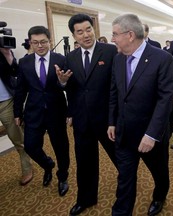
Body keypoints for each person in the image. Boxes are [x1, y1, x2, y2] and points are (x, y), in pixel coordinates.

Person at [108, 14, 173, 216]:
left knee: (159, 172)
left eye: (114, 34)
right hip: (124, 132)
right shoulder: (118, 59)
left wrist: (152, 134)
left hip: (150, 135)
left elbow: (165, 100)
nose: (112, 39)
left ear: (129, 35)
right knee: (125, 178)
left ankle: (159, 196)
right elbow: (114, 93)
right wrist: (111, 121)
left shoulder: (162, 58)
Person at [55, 13, 118, 215]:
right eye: (80, 32)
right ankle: (86, 199)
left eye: (88, 29)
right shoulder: (70, 57)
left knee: (122, 159)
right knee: (85, 162)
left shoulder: (110, 51)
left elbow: (117, 86)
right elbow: (71, 88)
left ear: (94, 28)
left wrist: (115, 118)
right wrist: (63, 82)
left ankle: (127, 192)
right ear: (74, 35)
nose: (86, 35)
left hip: (108, 120)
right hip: (82, 120)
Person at [13, 26, 70, 195]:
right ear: (30, 43)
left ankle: (62, 177)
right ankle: (48, 165)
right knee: (30, 146)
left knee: (61, 147)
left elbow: (67, 86)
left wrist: (63, 82)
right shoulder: (25, 62)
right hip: (33, 112)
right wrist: (17, 113)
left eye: (43, 42)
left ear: (49, 41)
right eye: (36, 42)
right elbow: (20, 89)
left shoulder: (61, 59)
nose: (40, 46)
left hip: (56, 111)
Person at [0, 48, 33, 186]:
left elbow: (15, 71)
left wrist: (7, 54)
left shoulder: (2, 50)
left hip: (5, 102)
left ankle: (27, 168)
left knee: (17, 137)